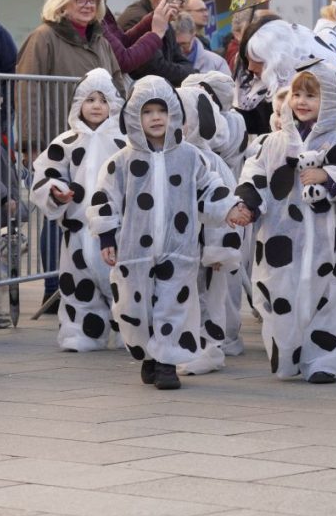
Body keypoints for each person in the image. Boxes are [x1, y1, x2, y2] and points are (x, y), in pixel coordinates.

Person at [86, 76, 242, 391]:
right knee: (134, 308)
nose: (155, 117)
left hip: (179, 250)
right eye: (147, 111)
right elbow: (105, 199)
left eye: (162, 110)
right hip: (134, 252)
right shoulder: (123, 161)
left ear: (173, 114)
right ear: (133, 116)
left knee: (174, 306)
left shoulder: (189, 157)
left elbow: (209, 186)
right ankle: (148, 355)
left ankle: (168, 362)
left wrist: (228, 208)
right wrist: (106, 237)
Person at [231, 63, 336, 383]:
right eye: (296, 94)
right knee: (283, 295)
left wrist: (328, 177)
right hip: (282, 238)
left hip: (330, 238)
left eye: (311, 96)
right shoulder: (275, 142)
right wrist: (246, 203)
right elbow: (256, 173)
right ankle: (291, 353)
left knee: (332, 295)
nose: (301, 101)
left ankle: (328, 360)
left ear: (330, 100)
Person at [17, 0, 123, 311]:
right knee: (62, 211)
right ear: (62, 3)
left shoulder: (101, 40)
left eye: (92, 0)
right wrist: (32, 142)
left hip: (102, 142)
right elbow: (28, 88)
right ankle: (55, 283)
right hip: (59, 139)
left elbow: (118, 81)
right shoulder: (43, 37)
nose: (88, 5)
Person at [29, 69, 125, 351]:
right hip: (78, 228)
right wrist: (55, 192)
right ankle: (79, 332)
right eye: (90, 99)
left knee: (123, 284)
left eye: (103, 100)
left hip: (116, 230)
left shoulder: (124, 141)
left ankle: (128, 331)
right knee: (77, 284)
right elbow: (44, 174)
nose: (96, 106)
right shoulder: (66, 142)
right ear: (78, 104)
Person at [176, 83, 245, 375]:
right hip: (181, 250)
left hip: (207, 252)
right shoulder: (175, 157)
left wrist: (220, 250)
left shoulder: (210, 161)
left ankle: (210, 348)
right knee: (185, 301)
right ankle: (189, 347)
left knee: (209, 301)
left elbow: (225, 208)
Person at [116, 0, 195, 85]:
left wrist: (190, 73)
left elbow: (180, 59)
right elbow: (155, 68)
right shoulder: (137, 19)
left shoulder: (162, 18)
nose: (181, 5)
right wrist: (191, 74)